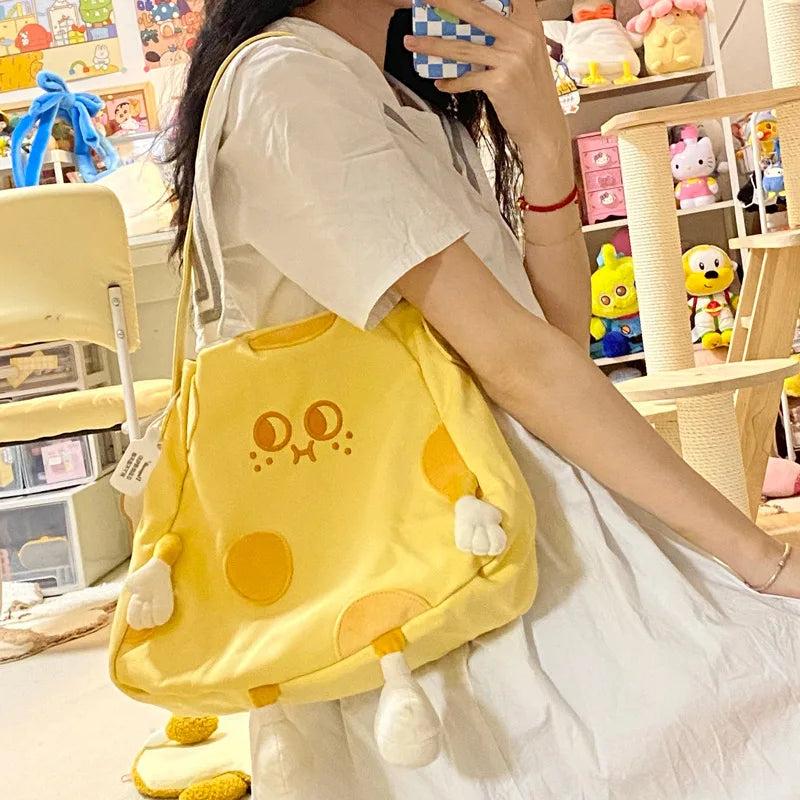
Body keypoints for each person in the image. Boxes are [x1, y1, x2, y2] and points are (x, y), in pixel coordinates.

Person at [170, 1, 800, 797]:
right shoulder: (289, 86)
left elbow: (553, 342)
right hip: (454, 588)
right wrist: (760, 559)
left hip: (522, 539)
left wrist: (544, 146)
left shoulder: (397, 93)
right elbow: (520, 363)